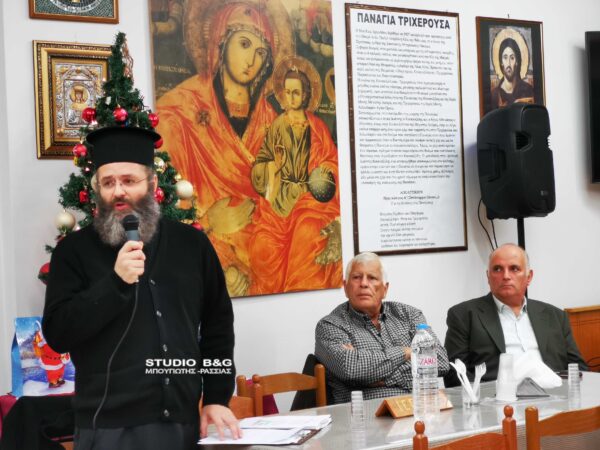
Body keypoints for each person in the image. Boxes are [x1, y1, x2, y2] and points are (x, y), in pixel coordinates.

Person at [42, 126, 239, 449]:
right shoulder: (73, 251)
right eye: (108, 183)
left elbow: (217, 326)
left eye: (129, 181)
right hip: (108, 429)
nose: (118, 192)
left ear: (152, 184)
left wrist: (217, 398)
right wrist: (115, 282)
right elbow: (59, 333)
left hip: (181, 423)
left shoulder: (192, 244)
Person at [156, 2, 294, 297]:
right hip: (206, 258)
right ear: (221, 38)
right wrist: (213, 239)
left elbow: (282, 203)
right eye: (244, 44)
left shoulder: (272, 122)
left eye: (261, 52)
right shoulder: (176, 112)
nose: (252, 60)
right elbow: (165, 205)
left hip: (265, 261)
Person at [249, 58, 341, 294]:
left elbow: (331, 159)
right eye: (287, 92)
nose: (291, 98)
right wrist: (271, 167)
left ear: (306, 95)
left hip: (309, 199)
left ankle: (300, 289)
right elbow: (263, 160)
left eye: (296, 93)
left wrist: (323, 174)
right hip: (280, 197)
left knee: (307, 233)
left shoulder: (317, 127)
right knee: (262, 246)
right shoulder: (278, 125)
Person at [444, 243, 587, 387]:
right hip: (497, 397)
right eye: (497, 269)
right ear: (488, 276)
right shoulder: (464, 315)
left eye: (514, 269)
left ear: (529, 276)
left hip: (554, 394)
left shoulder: (555, 316)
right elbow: (454, 374)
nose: (506, 276)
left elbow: (579, 369)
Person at [315, 252, 449, 404]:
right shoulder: (330, 325)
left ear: (385, 289)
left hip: (420, 407)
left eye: (372, 278)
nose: (364, 284)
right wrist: (407, 352)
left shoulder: (409, 315)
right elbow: (352, 369)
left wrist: (377, 377)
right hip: (365, 414)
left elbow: (441, 362)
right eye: (357, 277)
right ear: (346, 287)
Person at [491, 37, 534, 108]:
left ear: (517, 62)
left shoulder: (528, 90)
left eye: (512, 58)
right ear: (501, 62)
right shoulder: (495, 95)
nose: (508, 64)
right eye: (505, 58)